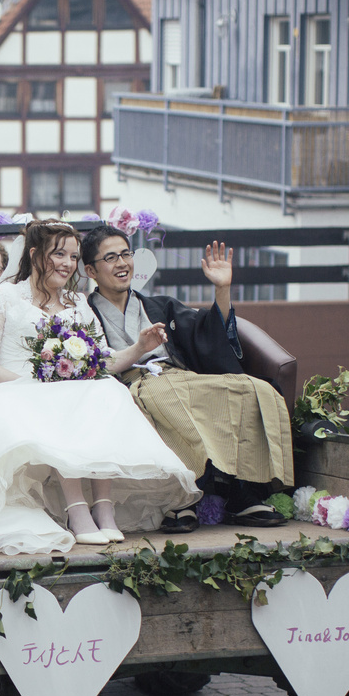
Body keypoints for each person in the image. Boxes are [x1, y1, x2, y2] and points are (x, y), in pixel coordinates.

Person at [0, 219, 199, 555]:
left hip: (64, 388)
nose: (67, 263)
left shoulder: (77, 301)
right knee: (62, 396)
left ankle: (103, 505)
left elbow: (102, 361)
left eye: (73, 257)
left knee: (107, 389)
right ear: (34, 254)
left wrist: (138, 348)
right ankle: (77, 510)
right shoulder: (2, 297)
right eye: (58, 254)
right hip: (11, 391)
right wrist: (38, 383)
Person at [83, 227, 292, 531]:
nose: (122, 263)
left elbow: (207, 334)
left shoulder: (159, 306)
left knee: (253, 389)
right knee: (168, 396)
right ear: (91, 269)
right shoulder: (85, 313)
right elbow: (91, 363)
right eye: (110, 257)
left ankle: (244, 492)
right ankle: (185, 498)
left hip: (179, 376)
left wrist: (222, 288)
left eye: (126, 254)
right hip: (134, 383)